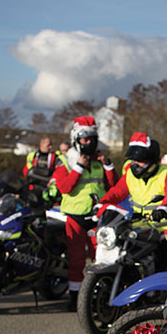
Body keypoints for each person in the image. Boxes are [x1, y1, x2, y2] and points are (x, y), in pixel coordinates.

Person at [53, 117, 118, 310]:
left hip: (98, 216)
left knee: (102, 259)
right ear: (76, 138)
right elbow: (64, 187)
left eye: (92, 138)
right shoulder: (65, 160)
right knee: (77, 259)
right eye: (84, 139)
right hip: (76, 216)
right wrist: (79, 167)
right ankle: (75, 298)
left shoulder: (99, 159)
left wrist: (107, 165)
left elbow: (113, 186)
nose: (88, 143)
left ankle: (99, 297)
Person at [97, 132, 167, 269]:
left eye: (140, 161)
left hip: (166, 229)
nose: (135, 164)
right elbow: (118, 191)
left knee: (165, 262)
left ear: (152, 160)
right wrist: (102, 203)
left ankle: (165, 289)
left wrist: (163, 209)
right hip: (141, 226)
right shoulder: (130, 174)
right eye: (134, 160)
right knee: (123, 251)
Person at [23, 135, 60, 203]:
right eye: (48, 145)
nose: (50, 147)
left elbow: (58, 172)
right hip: (34, 186)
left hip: (48, 186)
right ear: (41, 144)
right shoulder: (33, 156)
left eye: (51, 145)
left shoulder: (55, 156)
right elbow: (26, 172)